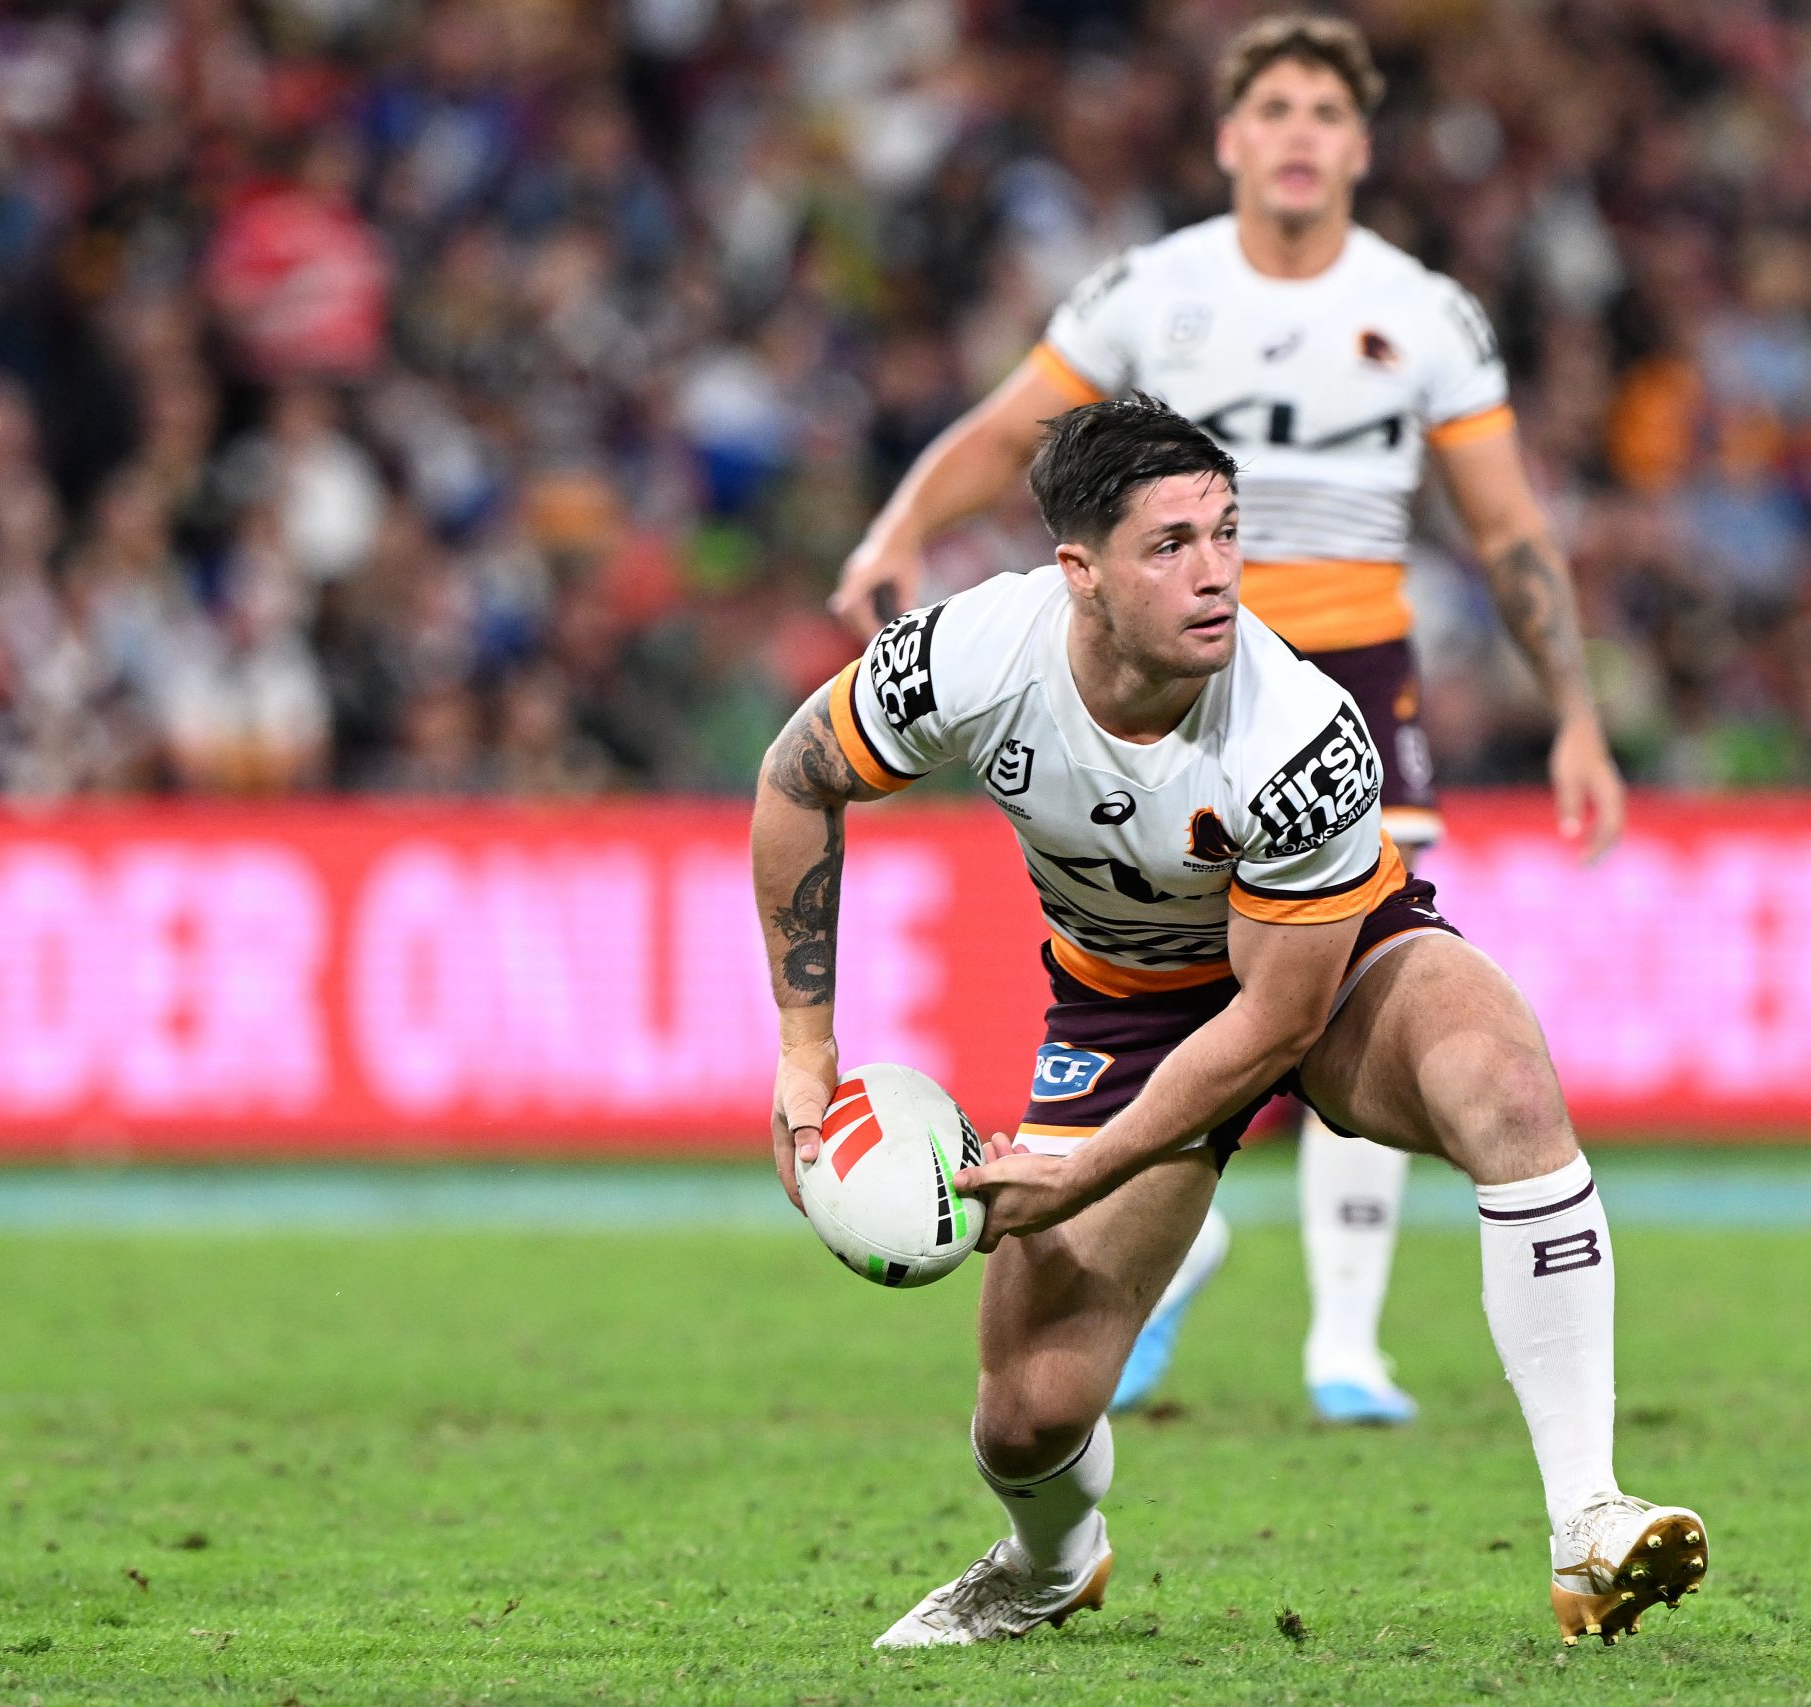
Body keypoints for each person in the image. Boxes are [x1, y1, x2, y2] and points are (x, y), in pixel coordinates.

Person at [755, 396, 1702, 1648]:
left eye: (1225, 532)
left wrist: (1085, 1169)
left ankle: (1587, 1515)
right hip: (1124, 1001)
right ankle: (1048, 1564)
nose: (1216, 574)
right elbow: (795, 778)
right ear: (1078, 573)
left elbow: (1271, 1030)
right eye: (1170, 545)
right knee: (1028, 1416)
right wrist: (805, 1050)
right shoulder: (968, 658)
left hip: (1334, 966)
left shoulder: (1298, 733)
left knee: (1507, 1087)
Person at [828, 13, 1625, 1426]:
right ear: (1229, 139)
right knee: (1208, 986)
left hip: (1356, 682)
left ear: (1362, 145)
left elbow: (1507, 531)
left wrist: (1574, 709)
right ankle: (1180, 1226)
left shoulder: (1424, 312)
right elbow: (1019, 424)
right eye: (1276, 110)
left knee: (1362, 970)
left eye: (1327, 109)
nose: (1301, 133)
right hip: (1159, 679)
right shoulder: (1154, 289)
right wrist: (902, 517)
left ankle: (1346, 1338)